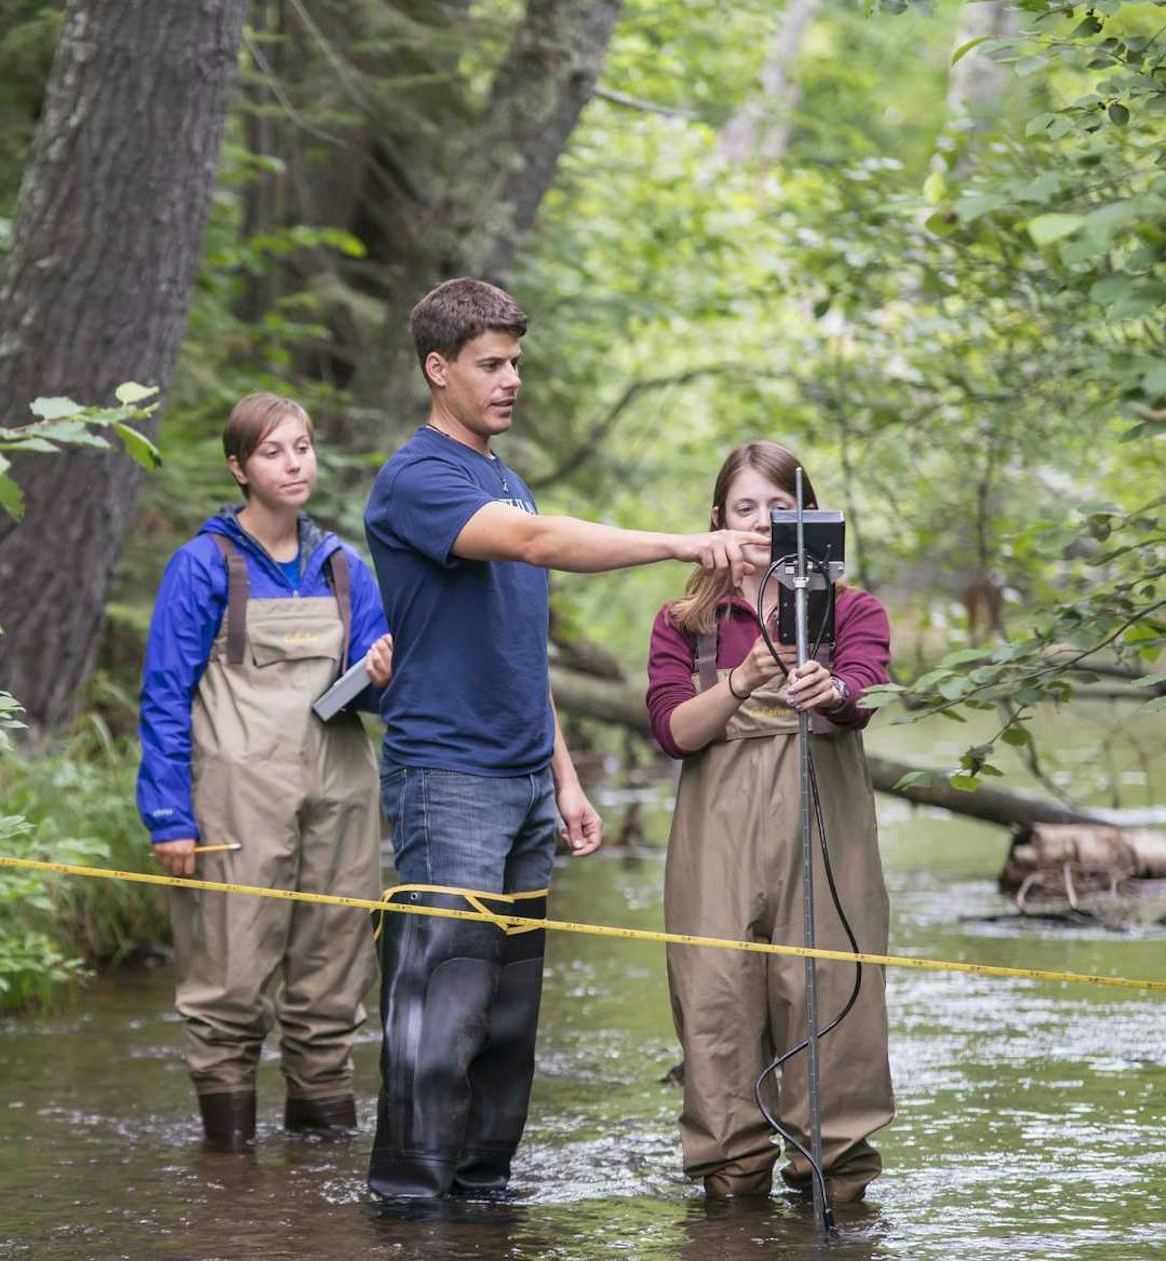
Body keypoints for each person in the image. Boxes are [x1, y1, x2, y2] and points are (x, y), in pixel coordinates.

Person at [361, 277, 764, 1200]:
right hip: (446, 777)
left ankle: (483, 1191)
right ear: (438, 369)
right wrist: (679, 543)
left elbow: (518, 654)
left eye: (516, 365)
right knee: (442, 1003)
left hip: (524, 783)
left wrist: (568, 780)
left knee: (507, 1017)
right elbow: (538, 543)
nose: (510, 382)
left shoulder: (509, 477)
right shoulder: (418, 477)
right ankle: (413, 1200)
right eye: (489, 365)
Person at [137, 391, 395, 1152]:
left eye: (304, 448)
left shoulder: (346, 568)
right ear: (240, 467)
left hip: (342, 796)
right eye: (275, 451)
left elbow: (381, 696)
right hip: (234, 803)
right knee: (229, 979)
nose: (294, 463)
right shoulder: (201, 564)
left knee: (333, 983)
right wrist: (169, 818)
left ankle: (317, 1184)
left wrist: (381, 673)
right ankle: (231, 1180)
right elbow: (162, 699)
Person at [643, 440, 895, 1204]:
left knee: (825, 990)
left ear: (808, 520)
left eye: (779, 512)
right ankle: (731, 1182)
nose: (760, 526)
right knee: (717, 996)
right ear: (717, 520)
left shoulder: (852, 610)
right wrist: (738, 681)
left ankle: (837, 1178)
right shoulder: (687, 619)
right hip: (714, 839)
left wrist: (834, 687)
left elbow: (871, 688)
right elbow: (670, 730)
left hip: (825, 831)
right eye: (745, 509)